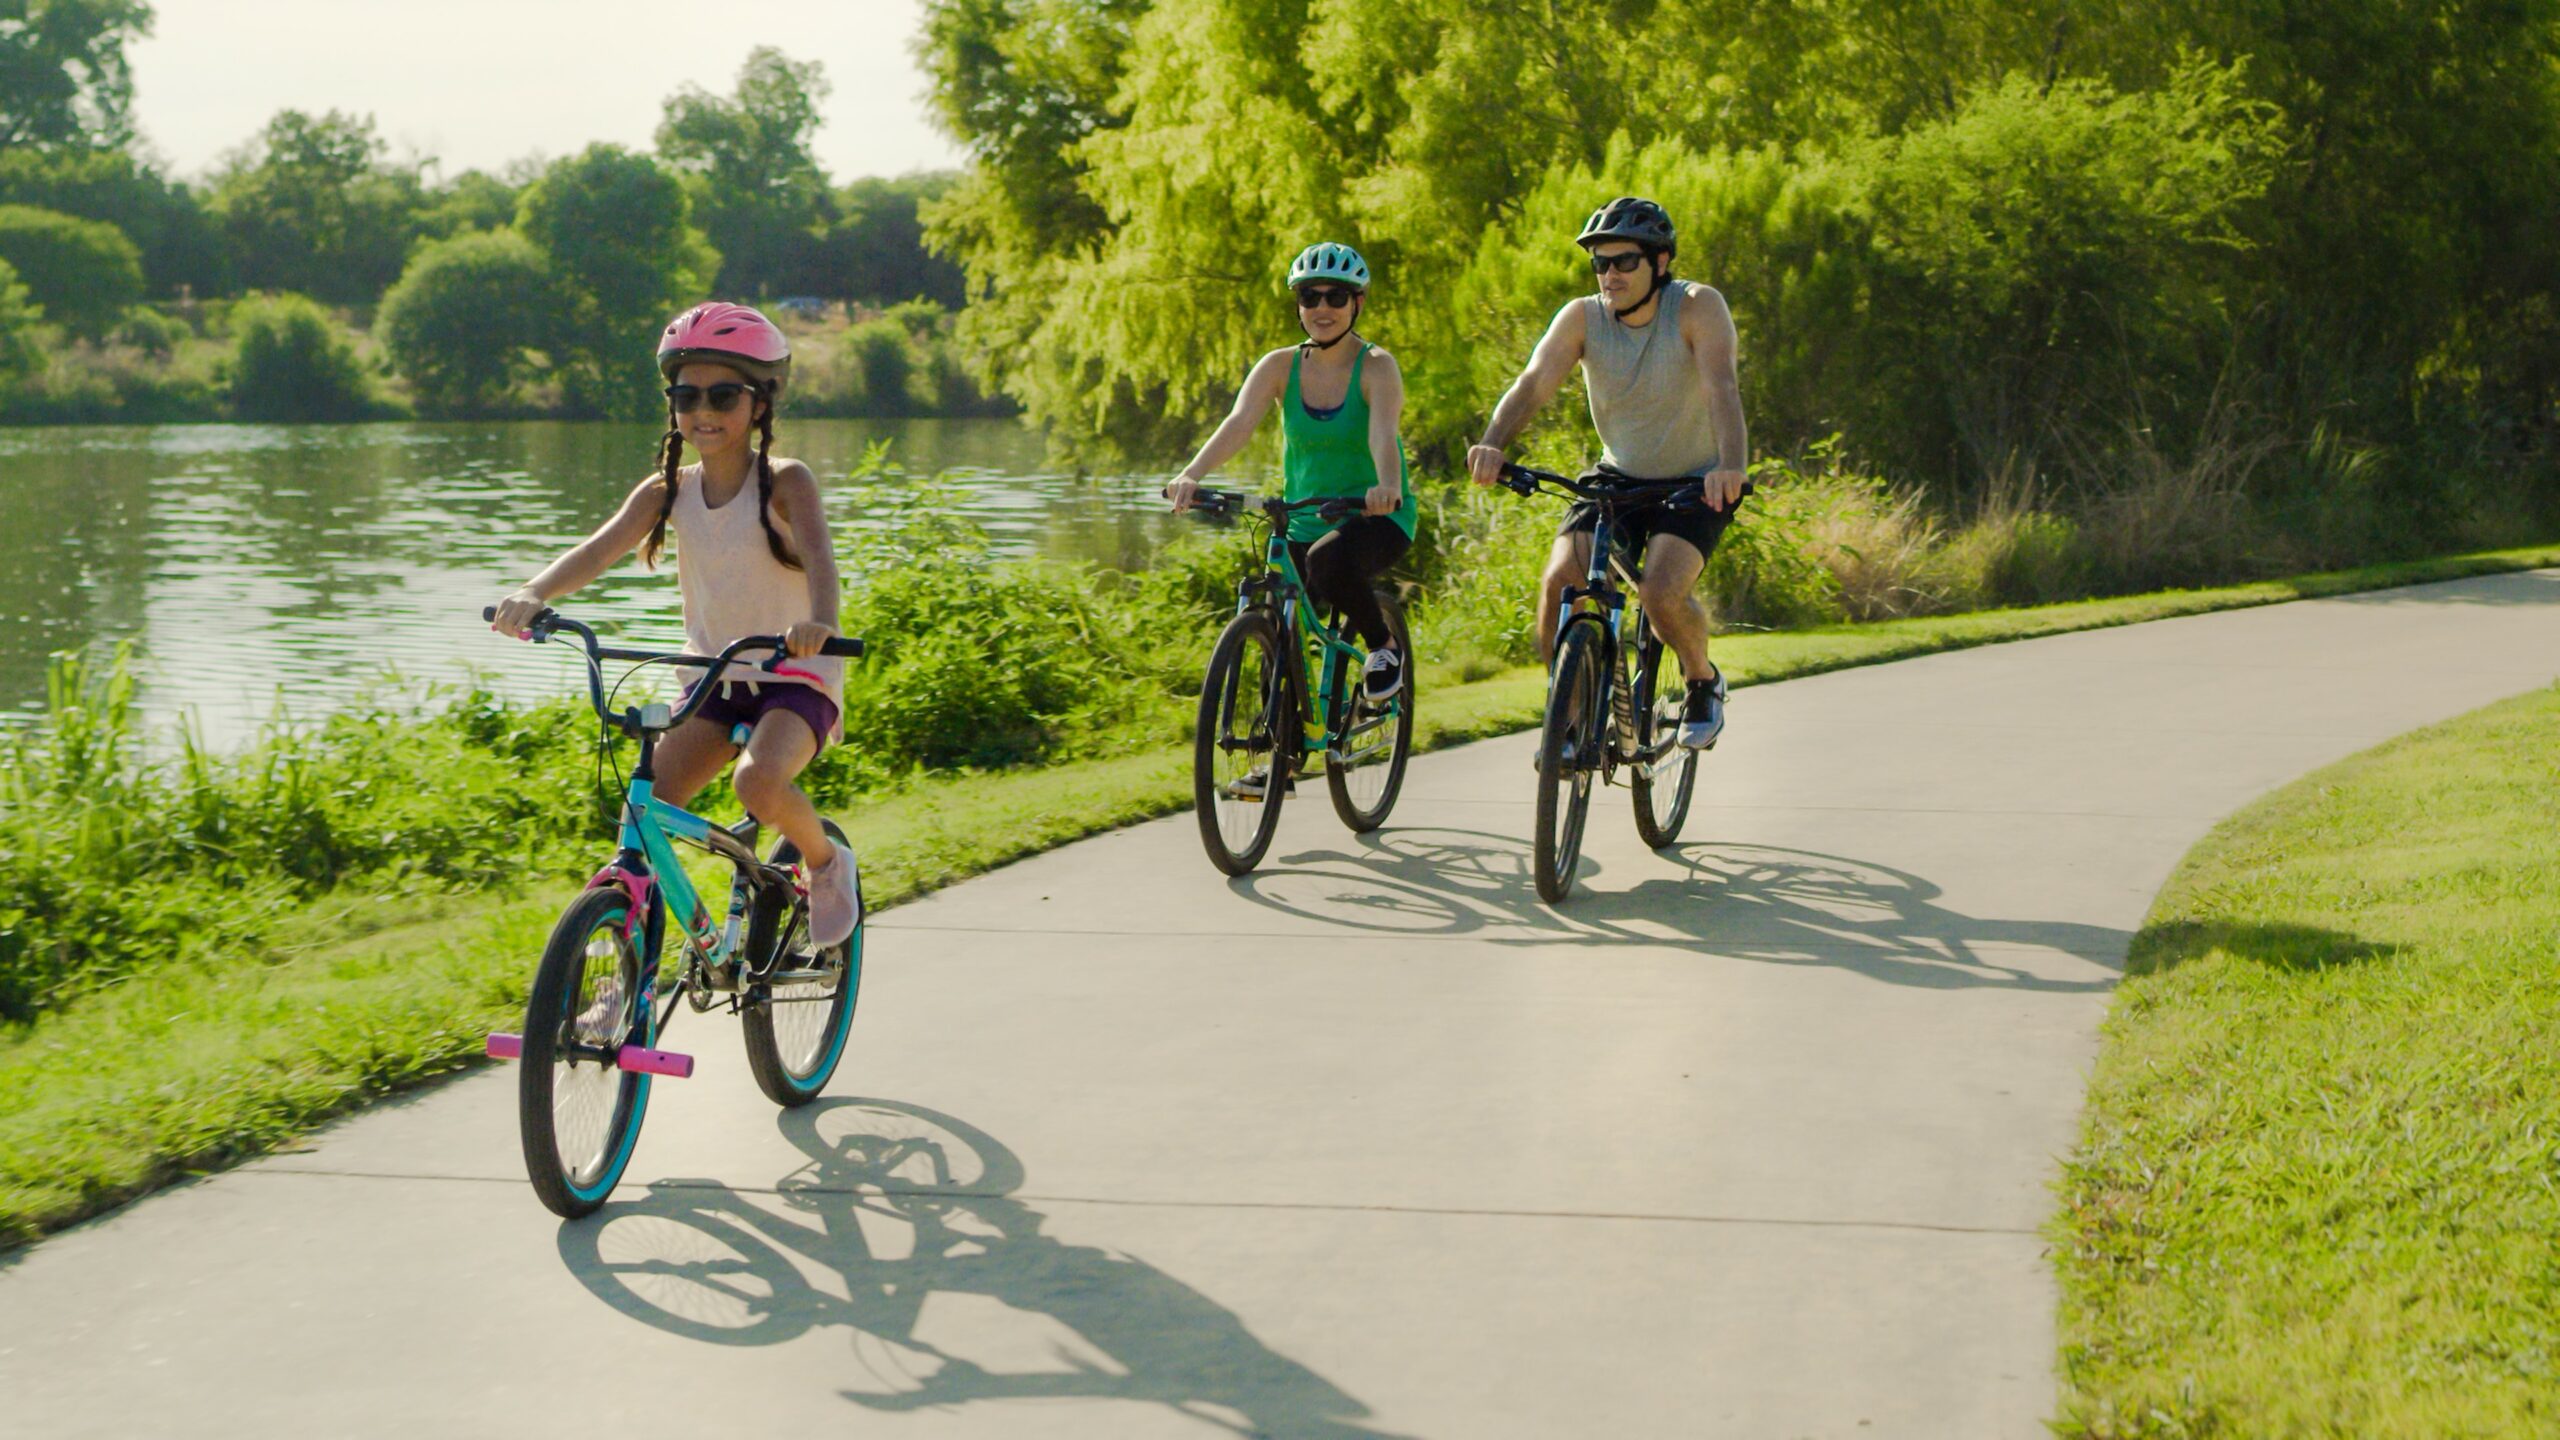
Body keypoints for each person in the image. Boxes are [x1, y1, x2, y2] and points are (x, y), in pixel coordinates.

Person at [488, 302, 859, 947]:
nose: (703, 412)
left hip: (794, 674)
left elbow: (824, 565)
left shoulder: (785, 482)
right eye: (687, 396)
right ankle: (623, 968)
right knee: (645, 806)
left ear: (761, 404)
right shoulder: (667, 491)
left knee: (758, 781)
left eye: (723, 395)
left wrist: (819, 624)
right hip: (716, 674)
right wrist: (533, 592)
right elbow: (595, 552)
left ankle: (825, 862)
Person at [1465, 197, 1750, 749]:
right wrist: (1493, 443)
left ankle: (1701, 681)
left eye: (1624, 261)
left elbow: (1722, 388)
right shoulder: (1583, 316)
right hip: (1617, 478)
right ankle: (1567, 721)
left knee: (1661, 592)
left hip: (1696, 480)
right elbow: (1531, 384)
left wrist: (1731, 467)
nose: (1610, 274)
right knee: (1559, 584)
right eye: (1600, 263)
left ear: (1660, 262)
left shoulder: (1697, 307)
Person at [1167, 241, 1419, 705]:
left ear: (1357, 303)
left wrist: (1386, 487)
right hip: (1305, 516)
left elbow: (1382, 434)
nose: (1322, 308)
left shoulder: (1378, 368)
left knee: (1328, 562)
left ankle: (1383, 647)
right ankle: (1274, 762)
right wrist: (1192, 474)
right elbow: (1239, 423)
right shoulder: (1279, 366)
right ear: (1298, 304)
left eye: (1336, 297)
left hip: (1376, 516)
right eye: (1310, 297)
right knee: (1277, 623)